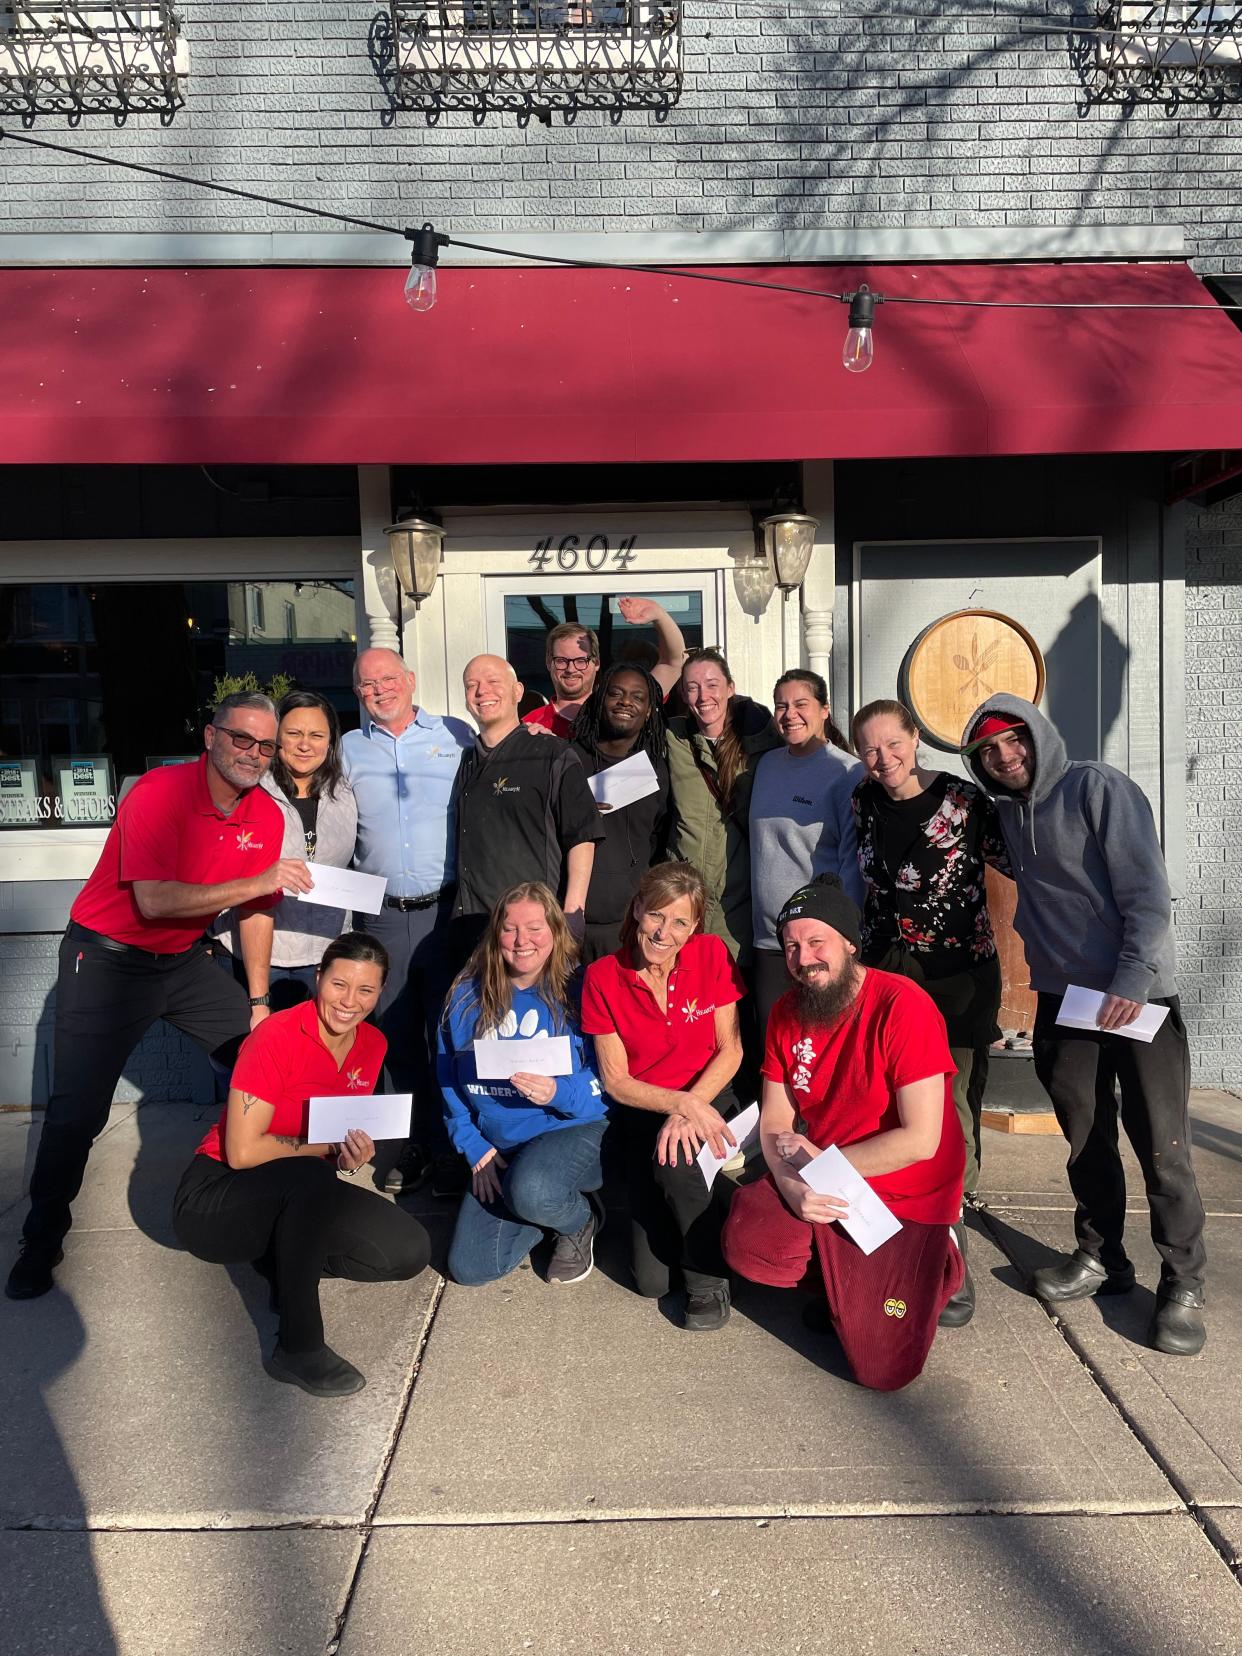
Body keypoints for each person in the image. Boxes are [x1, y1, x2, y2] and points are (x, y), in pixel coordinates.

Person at [5, 692, 312, 1302]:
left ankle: (277, 1218)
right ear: (211, 736)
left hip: (184, 959)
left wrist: (256, 1004)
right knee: (77, 1112)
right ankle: (40, 1241)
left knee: (269, 1065)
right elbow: (153, 900)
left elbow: (256, 912)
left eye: (266, 745)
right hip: (109, 957)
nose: (254, 753)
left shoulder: (269, 816)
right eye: (241, 739)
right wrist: (258, 879)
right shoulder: (158, 792)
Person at [963, 695, 1208, 1356]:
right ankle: (1104, 1259)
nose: (1006, 757)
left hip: (1136, 999)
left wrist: (1132, 981)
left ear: (1037, 735)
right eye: (989, 751)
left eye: (1014, 741)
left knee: (1163, 1145)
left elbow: (1147, 894)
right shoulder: (1008, 816)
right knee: (1084, 1138)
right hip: (1065, 1003)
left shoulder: (1097, 787)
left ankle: (1183, 1282)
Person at [722, 876, 971, 1392]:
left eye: (817, 942)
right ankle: (846, 1284)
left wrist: (820, 1165)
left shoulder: (902, 1004)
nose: (803, 957)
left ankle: (939, 1259)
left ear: (850, 942)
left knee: (884, 1370)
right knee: (750, 1244)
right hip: (828, 1176)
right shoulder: (787, 1014)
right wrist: (793, 1186)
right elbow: (773, 1123)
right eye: (791, 946)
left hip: (904, 1189)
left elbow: (920, 1140)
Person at [173, 932, 431, 1398]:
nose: (349, 1001)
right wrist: (324, 1150)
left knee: (408, 1250)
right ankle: (298, 1346)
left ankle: (284, 1260)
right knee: (310, 1175)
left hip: (297, 1193)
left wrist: (351, 1156)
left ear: (380, 991)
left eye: (366, 990)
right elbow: (243, 1153)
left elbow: (340, 1139)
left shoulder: (372, 1045)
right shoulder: (274, 1036)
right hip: (215, 1196)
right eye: (339, 985)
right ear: (318, 979)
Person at [852, 698, 1009, 1202]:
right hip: (886, 969)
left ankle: (957, 1195)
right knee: (891, 1082)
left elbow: (1020, 861)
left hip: (958, 970)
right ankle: (904, 1180)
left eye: (893, 743)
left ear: (915, 738)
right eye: (870, 749)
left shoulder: (964, 801)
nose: (884, 757)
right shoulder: (863, 801)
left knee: (956, 1088)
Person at [581, 861, 745, 1332]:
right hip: (644, 1110)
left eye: (679, 922)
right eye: (656, 915)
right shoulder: (602, 977)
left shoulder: (712, 954)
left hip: (711, 1093)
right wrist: (680, 1105)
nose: (664, 931)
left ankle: (708, 1279)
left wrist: (694, 1105)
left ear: (694, 926)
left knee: (677, 1164)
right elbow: (616, 1081)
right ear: (637, 909)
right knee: (651, 1281)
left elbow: (730, 1049)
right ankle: (712, 1214)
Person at [342, 647, 473, 1198]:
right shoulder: (346, 749)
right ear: (358, 694)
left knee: (451, 1032)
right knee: (395, 1038)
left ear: (411, 680)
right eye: (368, 685)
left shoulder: (456, 734)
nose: (380, 690)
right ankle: (411, 1145)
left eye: (388, 679)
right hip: (382, 917)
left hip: (447, 912)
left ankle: (457, 1148)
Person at [439, 883, 608, 1287]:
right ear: (495, 933)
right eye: (510, 929)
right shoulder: (465, 995)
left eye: (534, 928)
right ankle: (541, 1201)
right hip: (499, 1145)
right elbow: (447, 1079)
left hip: (569, 1128)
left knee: (533, 1189)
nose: (522, 941)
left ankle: (579, 1218)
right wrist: (474, 1146)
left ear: (555, 929)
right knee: (472, 1268)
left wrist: (558, 1092)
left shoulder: (580, 989)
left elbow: (607, 1079)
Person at [213, 690, 358, 1014]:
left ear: (331, 742)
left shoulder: (345, 794)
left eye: (316, 735)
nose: (305, 744)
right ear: (276, 739)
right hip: (253, 955)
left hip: (325, 953)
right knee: (254, 1055)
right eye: (293, 734)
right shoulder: (247, 792)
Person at [452, 654, 603, 956]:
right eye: (472, 685)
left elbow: (582, 835)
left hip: (533, 930)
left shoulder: (551, 753)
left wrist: (574, 912)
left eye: (494, 682)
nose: (482, 692)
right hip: (473, 925)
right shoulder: (465, 760)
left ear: (518, 691)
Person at [749, 670, 863, 1036]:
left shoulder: (845, 772)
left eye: (801, 704)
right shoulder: (766, 765)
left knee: (823, 1048)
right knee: (776, 1048)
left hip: (817, 943)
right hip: (769, 939)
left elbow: (852, 860)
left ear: (824, 710)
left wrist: (845, 934)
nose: (790, 714)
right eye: (781, 706)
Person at [665, 647, 780, 972]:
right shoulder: (672, 740)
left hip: (739, 909)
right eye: (692, 687)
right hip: (683, 902)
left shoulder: (764, 747)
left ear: (731, 688)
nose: (703, 696)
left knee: (733, 1008)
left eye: (712, 684)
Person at [571, 660, 671, 965]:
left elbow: (658, 837)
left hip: (629, 926)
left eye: (638, 697)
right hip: (571, 922)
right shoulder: (567, 759)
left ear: (650, 710)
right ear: (600, 700)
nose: (626, 701)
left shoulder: (654, 770)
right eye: (616, 693)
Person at [522, 598, 687, 738]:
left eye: (581, 660)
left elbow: (672, 663)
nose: (571, 669)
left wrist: (659, 616)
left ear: (597, 662)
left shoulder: (621, 706)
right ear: (548, 662)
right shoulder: (531, 724)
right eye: (561, 660)